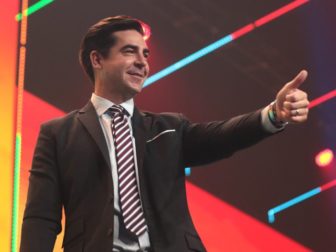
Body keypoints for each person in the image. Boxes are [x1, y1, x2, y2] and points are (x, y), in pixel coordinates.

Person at [20, 16, 309, 252]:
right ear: (97, 59)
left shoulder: (169, 128)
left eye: (145, 54)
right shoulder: (57, 134)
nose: (143, 62)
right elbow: (41, 219)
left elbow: (222, 136)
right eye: (129, 51)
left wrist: (273, 114)